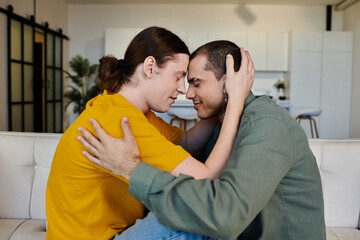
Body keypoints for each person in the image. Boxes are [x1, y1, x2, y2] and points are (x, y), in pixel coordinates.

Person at [78, 40, 326, 240]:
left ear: (228, 81)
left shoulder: (267, 127)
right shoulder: (223, 122)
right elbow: (188, 168)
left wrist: (131, 169)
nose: (187, 93)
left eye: (195, 83)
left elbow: (224, 216)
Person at [45, 27, 254, 239]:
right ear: (150, 67)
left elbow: (188, 142)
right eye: (178, 76)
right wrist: (235, 101)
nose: (183, 89)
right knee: (203, 218)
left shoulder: (128, 110)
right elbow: (206, 177)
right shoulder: (121, 121)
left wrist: (217, 101)